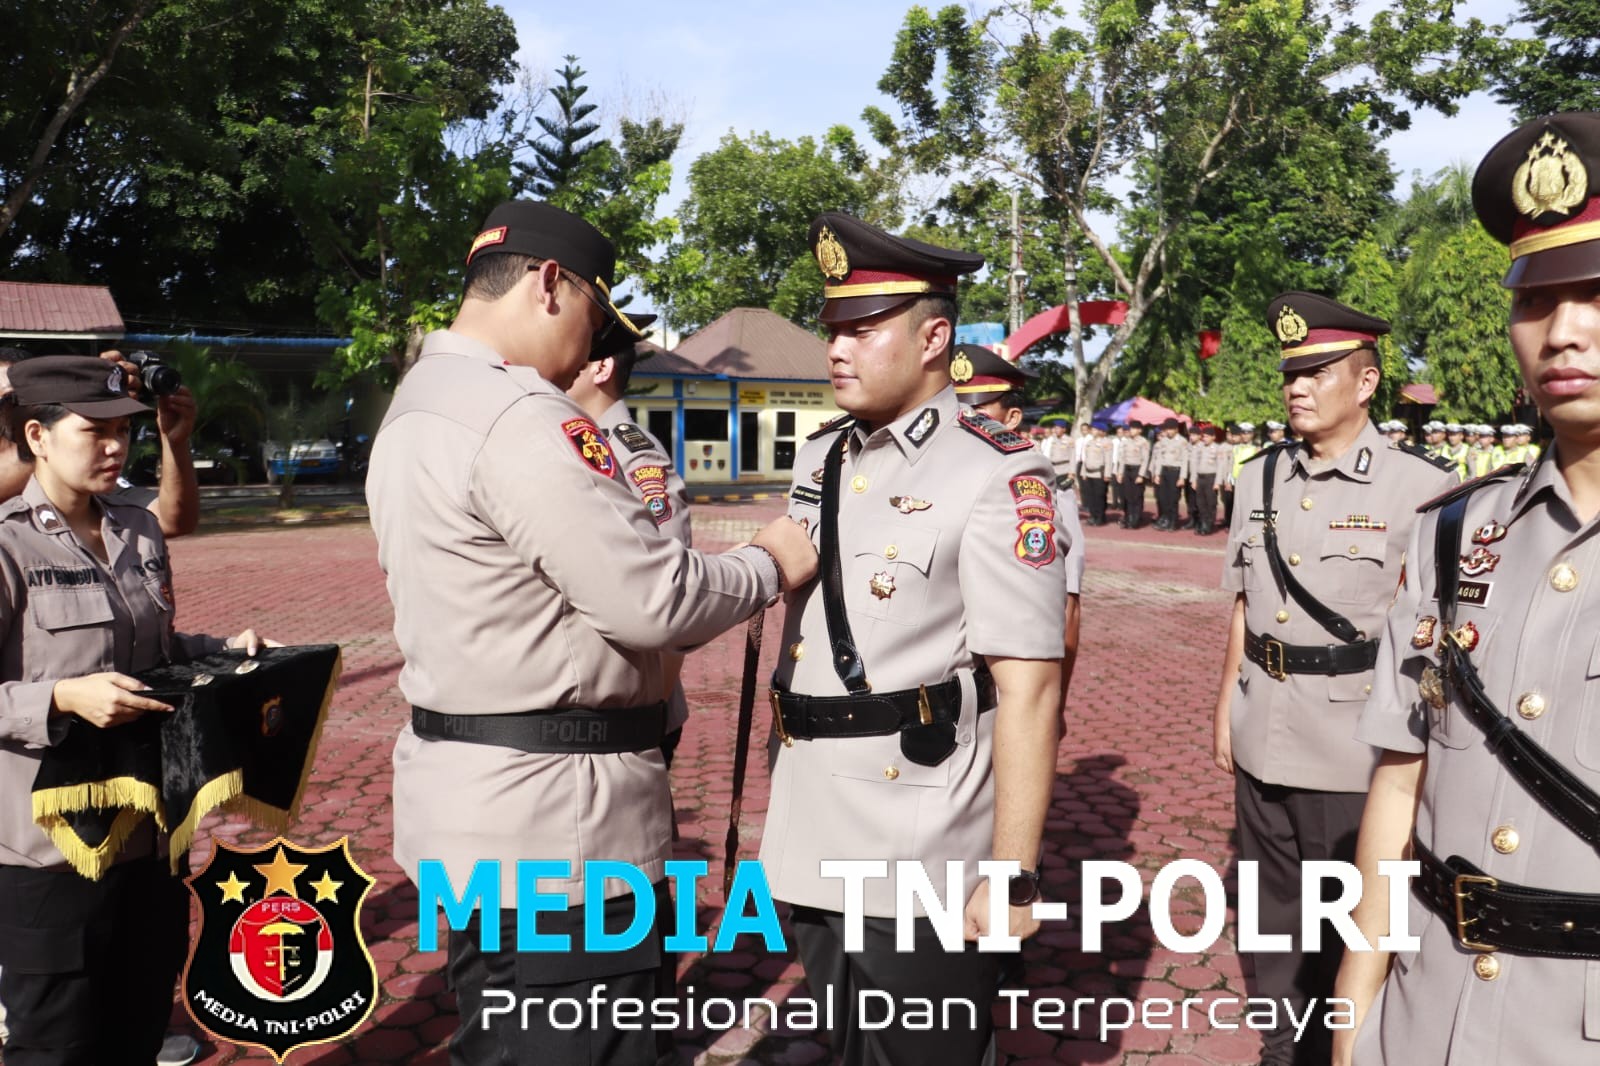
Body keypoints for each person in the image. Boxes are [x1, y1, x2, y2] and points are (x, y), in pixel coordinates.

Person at [366, 200, 817, 1066]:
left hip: (476, 806)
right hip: (559, 829)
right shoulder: (516, 414)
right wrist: (769, 562)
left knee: (502, 1033)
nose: (588, 349)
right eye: (590, 314)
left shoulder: (420, 400)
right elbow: (655, 600)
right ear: (548, 284)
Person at [763, 212, 1068, 1065]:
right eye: (833, 329)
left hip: (919, 838)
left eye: (862, 329)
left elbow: (1030, 690)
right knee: (846, 1049)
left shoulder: (997, 470)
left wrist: (1012, 875)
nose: (836, 349)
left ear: (935, 338)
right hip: (810, 819)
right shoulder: (820, 457)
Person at [1335, 112, 1600, 1065]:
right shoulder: (1455, 534)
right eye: (1537, 301)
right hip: (1425, 1015)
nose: (1562, 332)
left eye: (1597, 294)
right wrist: (1355, 1003)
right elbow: (1399, 781)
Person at [0, 356, 269, 1066]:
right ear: (37, 436)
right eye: (94, 431)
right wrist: (61, 697)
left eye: (123, 430)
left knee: (139, 1025)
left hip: (149, 834)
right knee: (55, 1047)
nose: (116, 445)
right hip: (49, 854)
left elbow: (157, 649)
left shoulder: (136, 530)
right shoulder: (7, 543)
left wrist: (226, 650)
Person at [1210, 292, 1457, 1065]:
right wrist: (1225, 706)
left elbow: (1437, 640)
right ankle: (1283, 1045)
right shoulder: (1259, 477)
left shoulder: (1423, 488)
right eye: (1292, 373)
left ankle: (1341, 1046)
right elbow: (1246, 604)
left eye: (1318, 371)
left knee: (1348, 916)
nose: (1298, 386)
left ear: (1367, 381)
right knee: (1270, 909)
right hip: (1262, 726)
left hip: (1353, 745)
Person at [565, 316, 696, 769]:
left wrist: (649, 714)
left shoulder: (633, 456)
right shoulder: (578, 445)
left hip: (635, 714)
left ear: (600, 368)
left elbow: (673, 595)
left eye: (576, 356)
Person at [952, 343, 1086, 701]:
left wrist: (1052, 705)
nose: (962, 419)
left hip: (1000, 689)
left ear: (1011, 418)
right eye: (955, 408)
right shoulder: (937, 480)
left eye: (977, 411)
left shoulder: (1043, 490)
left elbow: (1067, 610)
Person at [1147, 417, 1190, 531]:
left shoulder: (1182, 442)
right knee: (1163, 498)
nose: (1168, 431)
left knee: (1173, 498)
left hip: (1175, 472)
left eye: (1171, 429)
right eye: (1167, 429)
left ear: (1176, 429)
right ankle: (1165, 519)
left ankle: (1173, 522)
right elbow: (1159, 459)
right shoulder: (1163, 441)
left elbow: (1185, 461)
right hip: (1164, 471)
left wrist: (1182, 477)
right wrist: (1157, 474)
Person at [1077, 420, 1116, 526]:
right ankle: (1093, 516)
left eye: (1094, 429)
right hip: (1089, 473)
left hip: (1100, 474)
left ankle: (1100, 517)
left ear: (1100, 431)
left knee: (1099, 496)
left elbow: (1108, 460)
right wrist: (1083, 472)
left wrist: (1107, 474)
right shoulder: (1089, 442)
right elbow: (1086, 459)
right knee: (1091, 496)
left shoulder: (1107, 443)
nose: (1092, 431)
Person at [1189, 423, 1225, 535]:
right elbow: (1194, 464)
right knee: (1200, 502)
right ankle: (1202, 522)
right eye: (1203, 436)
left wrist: (1217, 482)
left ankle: (1209, 524)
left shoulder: (1217, 448)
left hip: (1211, 478)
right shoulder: (1199, 448)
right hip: (1200, 478)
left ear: (1213, 437)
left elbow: (1220, 466)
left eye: (1207, 436)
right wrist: (1193, 480)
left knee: (1210, 503)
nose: (1205, 438)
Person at [1120, 420, 1151, 528]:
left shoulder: (1143, 442)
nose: (1131, 430)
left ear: (1139, 430)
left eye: (1133, 429)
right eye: (1130, 428)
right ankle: (1128, 517)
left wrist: (1141, 475)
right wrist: (1120, 472)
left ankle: (1135, 519)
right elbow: (1123, 458)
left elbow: (1145, 460)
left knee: (1136, 496)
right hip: (1127, 470)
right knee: (1127, 495)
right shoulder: (1127, 441)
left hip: (1137, 470)